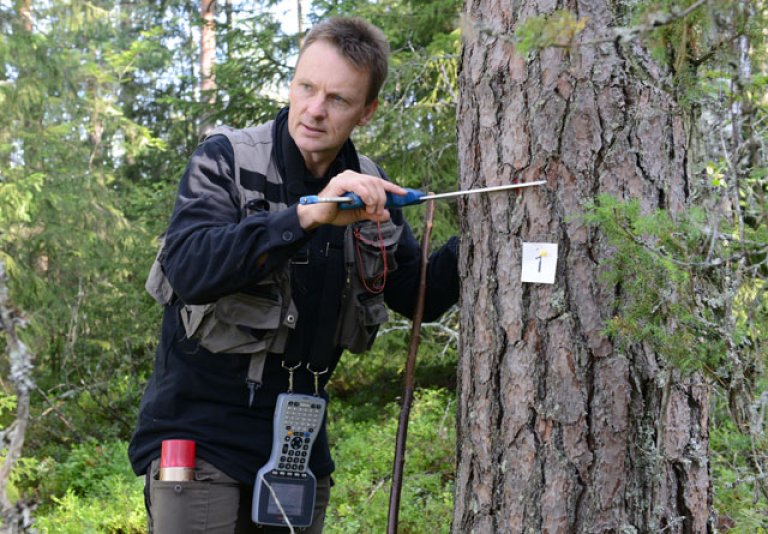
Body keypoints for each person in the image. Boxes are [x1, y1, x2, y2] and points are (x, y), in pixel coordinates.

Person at [128, 16, 459, 533]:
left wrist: (490, 237)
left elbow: (418, 298)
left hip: (297, 449)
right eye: (306, 87)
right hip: (200, 435)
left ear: (366, 112)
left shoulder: (370, 190)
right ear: (293, 81)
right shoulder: (226, 159)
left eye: (338, 99)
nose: (314, 109)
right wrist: (307, 216)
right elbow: (190, 266)